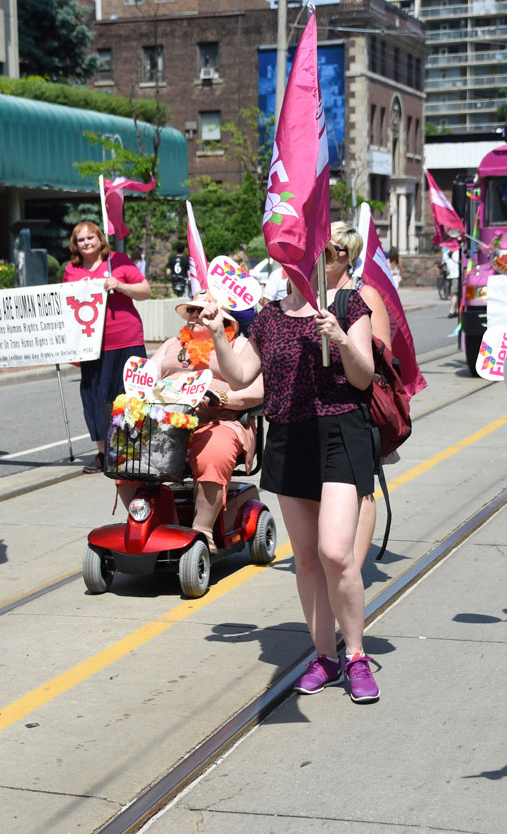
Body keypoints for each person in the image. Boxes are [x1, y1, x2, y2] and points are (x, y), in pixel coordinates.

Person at [203, 245, 381, 704]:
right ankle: (325, 657)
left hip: (340, 430)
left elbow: (364, 378)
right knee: (305, 559)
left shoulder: (347, 304)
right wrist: (219, 332)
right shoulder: (268, 317)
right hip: (287, 435)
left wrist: (340, 338)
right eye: (286, 257)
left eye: (304, 255)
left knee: (335, 553)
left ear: (321, 262)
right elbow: (242, 376)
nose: (294, 265)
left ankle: (357, 655)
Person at [122, 295, 264, 550]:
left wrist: (218, 398)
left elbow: (256, 392)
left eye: (203, 311)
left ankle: (203, 530)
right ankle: (145, 520)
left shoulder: (239, 345)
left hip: (219, 419)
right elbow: (145, 378)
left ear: (223, 318)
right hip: (166, 419)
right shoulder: (171, 344)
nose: (196, 315)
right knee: (126, 449)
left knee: (215, 448)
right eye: (192, 310)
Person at [326, 222, 393, 571]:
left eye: (330, 251)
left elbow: (381, 353)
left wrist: (344, 340)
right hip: (323, 407)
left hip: (360, 404)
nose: (322, 256)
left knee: (363, 485)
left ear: (346, 257)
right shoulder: (312, 292)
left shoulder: (364, 296)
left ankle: (355, 568)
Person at [64, 221, 150, 474]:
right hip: (91, 345)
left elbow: (145, 291)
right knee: (95, 399)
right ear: (75, 244)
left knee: (129, 396)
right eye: (81, 239)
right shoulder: (71, 270)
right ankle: (104, 452)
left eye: (91, 237)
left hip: (127, 339)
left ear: (101, 239)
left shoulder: (118, 261)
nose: (87, 243)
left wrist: (119, 285)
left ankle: (135, 449)